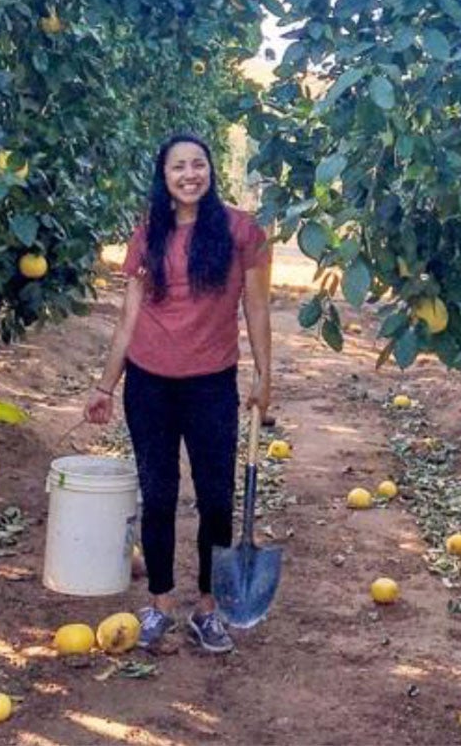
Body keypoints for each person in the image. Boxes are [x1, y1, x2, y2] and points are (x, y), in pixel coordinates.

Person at [84, 133, 272, 654]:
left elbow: (256, 308)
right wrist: (105, 385)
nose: (190, 174)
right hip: (149, 384)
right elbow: (128, 320)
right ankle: (161, 603)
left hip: (212, 383)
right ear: (163, 177)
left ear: (210, 171)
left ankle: (208, 608)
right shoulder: (147, 236)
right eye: (178, 168)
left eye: (198, 165)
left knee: (215, 498)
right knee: (160, 495)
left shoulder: (242, 232)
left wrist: (264, 373)